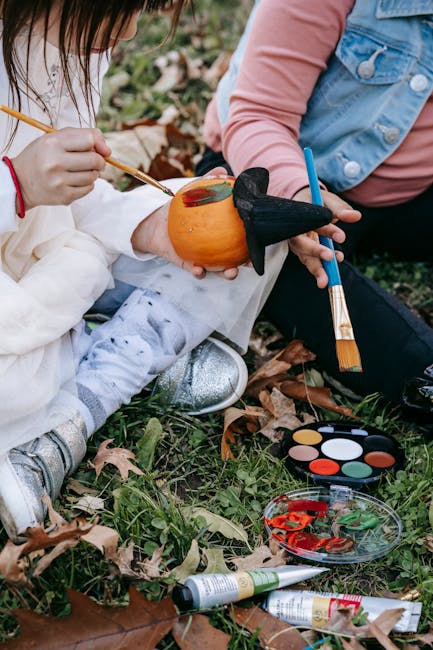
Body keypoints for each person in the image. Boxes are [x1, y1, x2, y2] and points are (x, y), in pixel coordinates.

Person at [0, 0, 332, 541]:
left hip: (46, 259)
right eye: (120, 8)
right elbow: (30, 194)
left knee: (248, 226)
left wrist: (155, 229)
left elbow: (66, 210)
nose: (130, 30)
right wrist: (14, 186)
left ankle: (81, 394)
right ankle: (103, 377)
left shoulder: (69, 43)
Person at [198, 0, 433, 408]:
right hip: (272, 177)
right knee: (276, 261)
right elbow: (258, 115)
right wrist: (298, 197)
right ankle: (420, 376)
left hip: (407, 191)